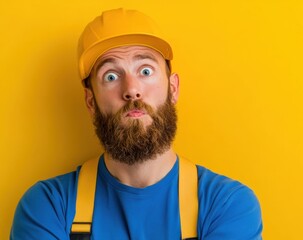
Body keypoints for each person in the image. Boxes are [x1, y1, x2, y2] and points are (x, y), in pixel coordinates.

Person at [10, 8, 262, 240]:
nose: (131, 90)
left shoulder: (227, 204)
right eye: (111, 76)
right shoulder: (48, 206)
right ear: (90, 101)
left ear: (173, 88)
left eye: (145, 71)